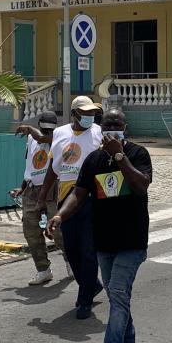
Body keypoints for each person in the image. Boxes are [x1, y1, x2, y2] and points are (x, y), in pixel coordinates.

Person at [46, 109, 152, 343]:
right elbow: (78, 194)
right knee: (120, 297)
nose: (112, 129)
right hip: (104, 241)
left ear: (125, 127)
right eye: (108, 125)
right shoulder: (93, 160)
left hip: (132, 240)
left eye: (117, 125)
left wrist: (120, 156)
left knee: (116, 292)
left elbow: (141, 186)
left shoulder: (139, 153)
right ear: (101, 130)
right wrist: (60, 215)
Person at [42, 96, 105, 318]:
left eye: (92, 114)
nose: (89, 117)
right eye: (84, 113)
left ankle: (85, 298)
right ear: (74, 114)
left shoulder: (99, 133)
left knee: (89, 250)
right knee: (72, 249)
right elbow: (52, 168)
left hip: (92, 196)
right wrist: (42, 197)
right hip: (66, 197)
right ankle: (91, 285)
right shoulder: (59, 133)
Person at [10, 111, 66, 286]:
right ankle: (43, 269)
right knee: (31, 231)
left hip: (52, 190)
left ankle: (71, 260)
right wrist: (23, 187)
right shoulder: (31, 139)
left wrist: (31, 129)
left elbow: (44, 139)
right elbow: (31, 167)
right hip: (32, 191)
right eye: (45, 128)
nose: (47, 132)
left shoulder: (57, 138)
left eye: (50, 129)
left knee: (58, 232)